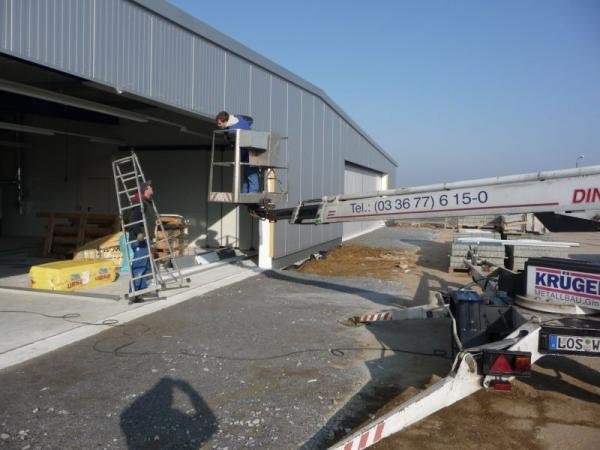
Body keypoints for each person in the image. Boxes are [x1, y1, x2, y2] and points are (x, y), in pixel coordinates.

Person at [216, 111, 260, 193]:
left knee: (251, 175)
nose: (218, 125)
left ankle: (252, 194)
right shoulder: (238, 118)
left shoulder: (232, 131)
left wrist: (228, 138)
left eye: (219, 123)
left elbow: (233, 142)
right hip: (250, 151)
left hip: (249, 153)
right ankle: (245, 194)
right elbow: (249, 121)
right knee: (248, 175)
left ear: (225, 121)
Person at [128, 180, 154, 303]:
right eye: (149, 187)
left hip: (146, 239)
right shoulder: (140, 203)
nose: (151, 188)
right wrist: (138, 232)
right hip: (139, 240)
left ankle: (141, 289)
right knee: (139, 265)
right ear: (145, 190)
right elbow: (134, 219)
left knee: (144, 265)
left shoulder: (147, 202)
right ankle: (134, 293)